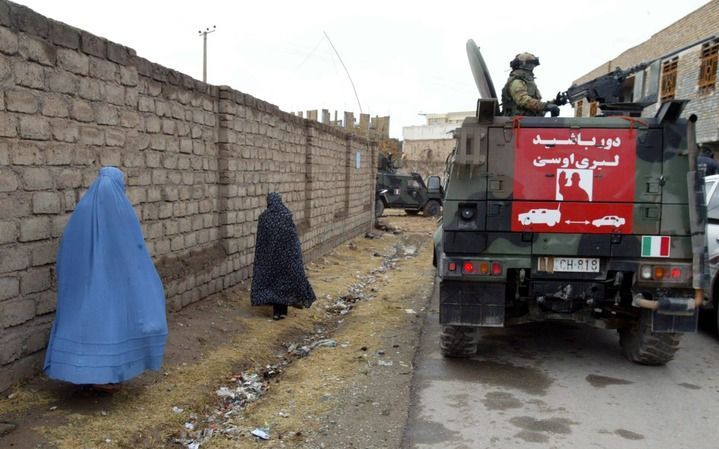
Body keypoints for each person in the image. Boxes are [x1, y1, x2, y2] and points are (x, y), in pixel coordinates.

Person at [44, 167, 168, 390]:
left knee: (86, 324)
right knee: (112, 325)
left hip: (82, 285)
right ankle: (107, 376)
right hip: (113, 283)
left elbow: (67, 251)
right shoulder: (121, 212)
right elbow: (132, 250)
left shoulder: (81, 212)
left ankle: (85, 375)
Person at [251, 192, 316, 319]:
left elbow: (261, 242)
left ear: (269, 202)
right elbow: (293, 238)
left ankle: (277, 313)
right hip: (287, 258)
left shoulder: (264, 218)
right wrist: (294, 255)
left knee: (273, 284)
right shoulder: (286, 215)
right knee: (284, 284)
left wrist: (264, 258)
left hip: (271, 259)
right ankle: (282, 312)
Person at [501, 52, 559, 117]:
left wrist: (555, 102)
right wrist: (546, 106)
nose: (531, 68)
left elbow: (536, 108)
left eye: (532, 66)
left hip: (529, 121)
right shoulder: (517, 81)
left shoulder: (527, 82)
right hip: (518, 122)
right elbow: (523, 100)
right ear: (521, 66)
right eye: (529, 65)